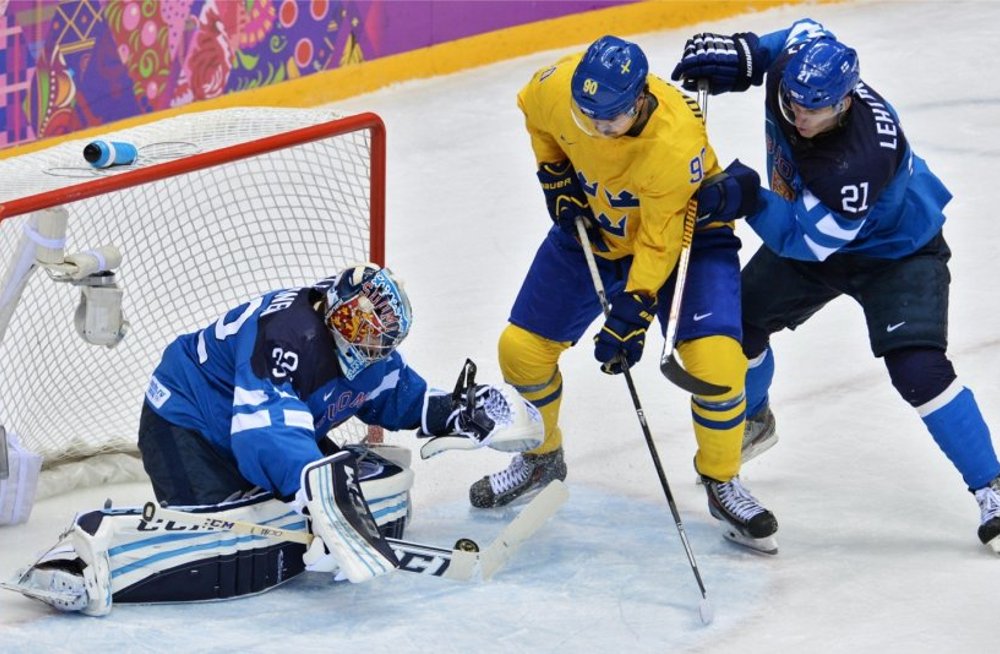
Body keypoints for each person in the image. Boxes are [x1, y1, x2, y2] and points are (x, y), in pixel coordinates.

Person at [8, 263, 544, 615]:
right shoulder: (289, 333)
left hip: (257, 430)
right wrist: (316, 489)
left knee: (321, 498)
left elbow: (404, 398)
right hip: (188, 423)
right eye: (358, 324)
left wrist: (461, 414)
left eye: (379, 335)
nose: (368, 340)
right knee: (227, 537)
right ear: (334, 304)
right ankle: (85, 550)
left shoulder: (369, 355)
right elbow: (261, 433)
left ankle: (305, 504)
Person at [671, 18, 1000, 552]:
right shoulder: (798, 73)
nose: (798, 116)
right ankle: (753, 419)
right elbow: (802, 29)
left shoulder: (856, 165)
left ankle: (993, 486)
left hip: (896, 251)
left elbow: (802, 244)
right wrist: (749, 56)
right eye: (792, 103)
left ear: (845, 102)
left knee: (918, 370)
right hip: (815, 228)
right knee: (741, 330)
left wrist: (748, 198)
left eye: (813, 109)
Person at [470, 34, 778, 553]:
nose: (593, 127)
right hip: (596, 226)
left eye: (607, 119)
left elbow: (659, 242)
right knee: (520, 350)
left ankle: (721, 478)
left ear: (638, 99)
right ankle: (541, 457)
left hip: (685, 240)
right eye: (585, 115)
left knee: (718, 364)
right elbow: (536, 113)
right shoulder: (559, 89)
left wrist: (634, 311)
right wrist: (555, 175)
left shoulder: (674, 142)